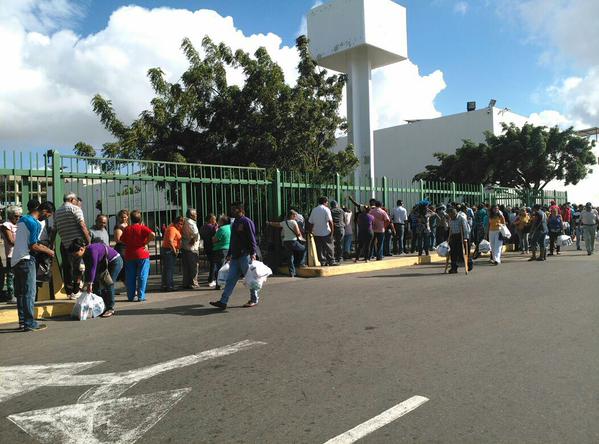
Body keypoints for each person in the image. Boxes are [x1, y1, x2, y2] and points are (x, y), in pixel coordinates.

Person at [12, 199, 55, 331]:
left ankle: (23, 321)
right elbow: (33, 245)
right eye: (47, 216)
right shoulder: (35, 223)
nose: (45, 219)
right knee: (29, 293)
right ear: (43, 211)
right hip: (27, 260)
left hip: (16, 260)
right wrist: (49, 251)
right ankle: (30, 323)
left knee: (20, 294)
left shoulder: (22, 219)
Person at [210, 202, 259, 309]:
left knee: (250, 278)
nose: (231, 211)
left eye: (234, 209)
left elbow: (252, 238)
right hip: (235, 256)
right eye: (231, 209)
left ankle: (254, 299)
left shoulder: (246, 222)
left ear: (240, 210)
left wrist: (253, 253)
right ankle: (223, 301)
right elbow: (233, 240)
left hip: (245, 255)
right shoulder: (235, 222)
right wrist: (229, 254)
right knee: (230, 279)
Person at [68, 238, 123, 317]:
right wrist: (87, 283)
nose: (75, 257)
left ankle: (110, 308)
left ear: (81, 249)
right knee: (96, 285)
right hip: (103, 264)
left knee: (109, 284)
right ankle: (102, 306)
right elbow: (88, 269)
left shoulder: (92, 250)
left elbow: (93, 267)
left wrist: (90, 283)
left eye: (76, 254)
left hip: (115, 261)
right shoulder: (84, 254)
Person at [53, 192, 91, 298]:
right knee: (79, 268)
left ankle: (69, 291)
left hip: (64, 243)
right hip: (77, 244)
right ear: (71, 200)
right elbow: (82, 225)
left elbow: (54, 229)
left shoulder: (57, 212)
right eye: (75, 200)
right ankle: (76, 290)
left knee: (67, 268)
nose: (76, 202)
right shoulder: (75, 209)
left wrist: (51, 243)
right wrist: (88, 240)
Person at [120, 210, 155, 302]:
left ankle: (130, 296)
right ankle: (141, 296)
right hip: (142, 254)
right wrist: (145, 242)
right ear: (140, 219)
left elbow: (122, 240)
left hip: (129, 254)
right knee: (142, 275)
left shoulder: (127, 229)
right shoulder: (142, 227)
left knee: (130, 276)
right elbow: (152, 234)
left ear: (130, 219)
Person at [268, 210, 306, 277]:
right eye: (294, 215)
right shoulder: (294, 222)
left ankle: (292, 273)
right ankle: (301, 263)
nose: (295, 217)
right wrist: (300, 236)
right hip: (293, 241)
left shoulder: (284, 222)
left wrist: (269, 223)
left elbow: (277, 224)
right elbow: (298, 233)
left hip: (286, 242)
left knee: (290, 257)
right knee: (304, 249)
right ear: (291, 216)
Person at [0, 206, 21, 303]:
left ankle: (17, 294)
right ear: (10, 215)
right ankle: (11, 295)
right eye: (16, 216)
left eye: (19, 216)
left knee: (18, 275)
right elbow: (11, 241)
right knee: (11, 275)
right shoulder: (6, 225)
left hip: (20, 253)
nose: (18, 218)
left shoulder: (19, 224)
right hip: (11, 254)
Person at [308, 197, 335, 266]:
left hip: (316, 232)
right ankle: (331, 261)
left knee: (319, 248)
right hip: (326, 232)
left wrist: (311, 231)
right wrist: (332, 232)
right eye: (327, 202)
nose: (328, 203)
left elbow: (311, 222)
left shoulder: (314, 210)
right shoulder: (326, 209)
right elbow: (330, 222)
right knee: (329, 247)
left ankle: (322, 261)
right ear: (325, 202)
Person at [161, 216, 184, 292]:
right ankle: (169, 286)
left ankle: (165, 285)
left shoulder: (174, 228)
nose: (181, 225)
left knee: (167, 269)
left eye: (182, 224)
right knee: (169, 269)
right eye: (179, 224)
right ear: (176, 223)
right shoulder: (172, 229)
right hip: (169, 250)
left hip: (168, 250)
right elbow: (170, 241)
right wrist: (174, 250)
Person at [210, 215, 231, 288]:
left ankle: (219, 284)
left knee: (219, 268)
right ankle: (226, 282)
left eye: (219, 220)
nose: (217, 222)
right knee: (226, 267)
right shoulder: (230, 227)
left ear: (222, 222)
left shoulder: (221, 229)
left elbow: (215, 240)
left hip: (220, 249)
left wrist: (213, 237)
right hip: (228, 249)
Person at [447, 208, 471, 274]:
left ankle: (469, 264)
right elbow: (450, 229)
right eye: (449, 215)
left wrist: (465, 238)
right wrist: (449, 238)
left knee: (464, 252)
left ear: (455, 213)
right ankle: (454, 268)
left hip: (462, 236)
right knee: (453, 253)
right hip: (454, 236)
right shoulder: (450, 219)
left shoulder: (461, 218)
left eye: (451, 215)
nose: (450, 217)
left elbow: (465, 229)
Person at [181, 209, 200, 290]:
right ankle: (193, 283)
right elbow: (195, 233)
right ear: (191, 215)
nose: (196, 215)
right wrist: (194, 240)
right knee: (193, 266)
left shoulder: (185, 221)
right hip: (192, 248)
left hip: (185, 246)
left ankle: (186, 283)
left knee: (186, 266)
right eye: (195, 214)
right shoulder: (190, 222)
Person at [200, 214, 218, 285]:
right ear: (211, 219)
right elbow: (215, 236)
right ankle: (211, 279)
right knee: (213, 264)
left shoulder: (202, 227)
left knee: (211, 263)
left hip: (206, 246)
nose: (215, 221)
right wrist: (216, 227)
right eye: (214, 219)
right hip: (212, 247)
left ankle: (211, 278)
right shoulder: (212, 227)